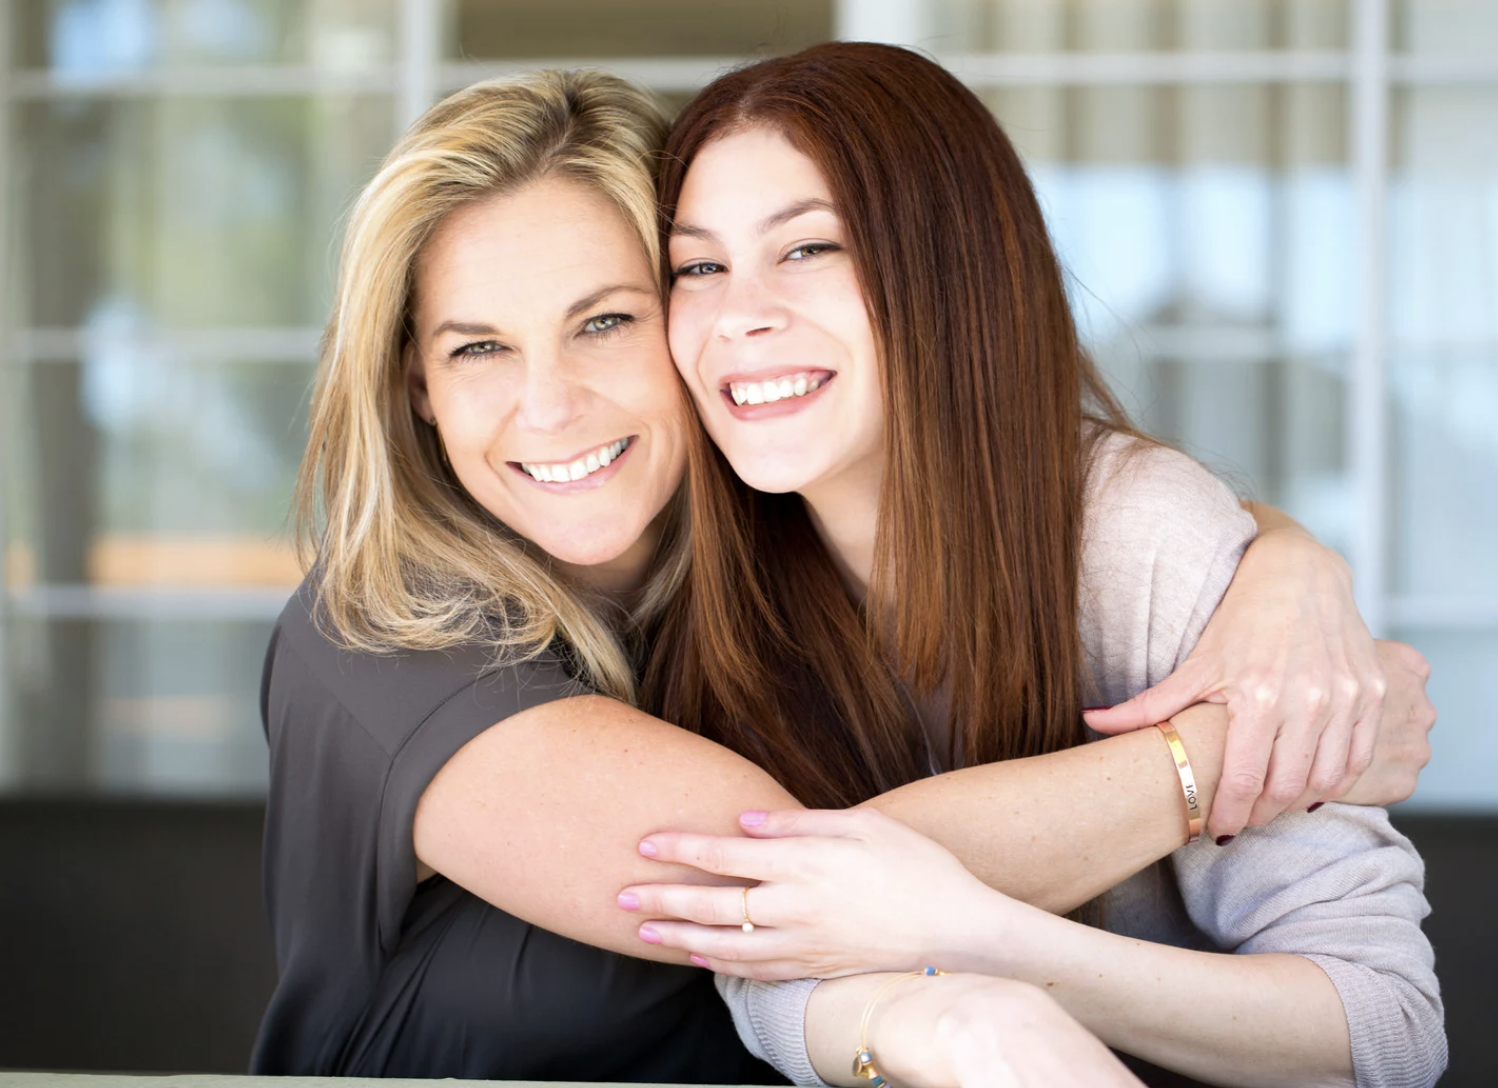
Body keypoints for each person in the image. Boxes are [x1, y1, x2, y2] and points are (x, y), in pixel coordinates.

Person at [254, 66, 1432, 1085]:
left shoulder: (752, 545)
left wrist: (1284, 562)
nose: (549, 402)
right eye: (477, 347)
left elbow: (1384, 1025)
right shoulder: (389, 636)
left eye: (607, 320)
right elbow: (785, 897)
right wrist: (1236, 749)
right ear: (412, 382)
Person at [624, 42, 1446, 1088]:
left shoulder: (1136, 538)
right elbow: (767, 942)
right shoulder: (684, 571)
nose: (739, 313)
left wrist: (993, 943)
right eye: (698, 265)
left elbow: (1386, 1025)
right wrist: (1199, 757)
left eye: (809, 248)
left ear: (955, 266)